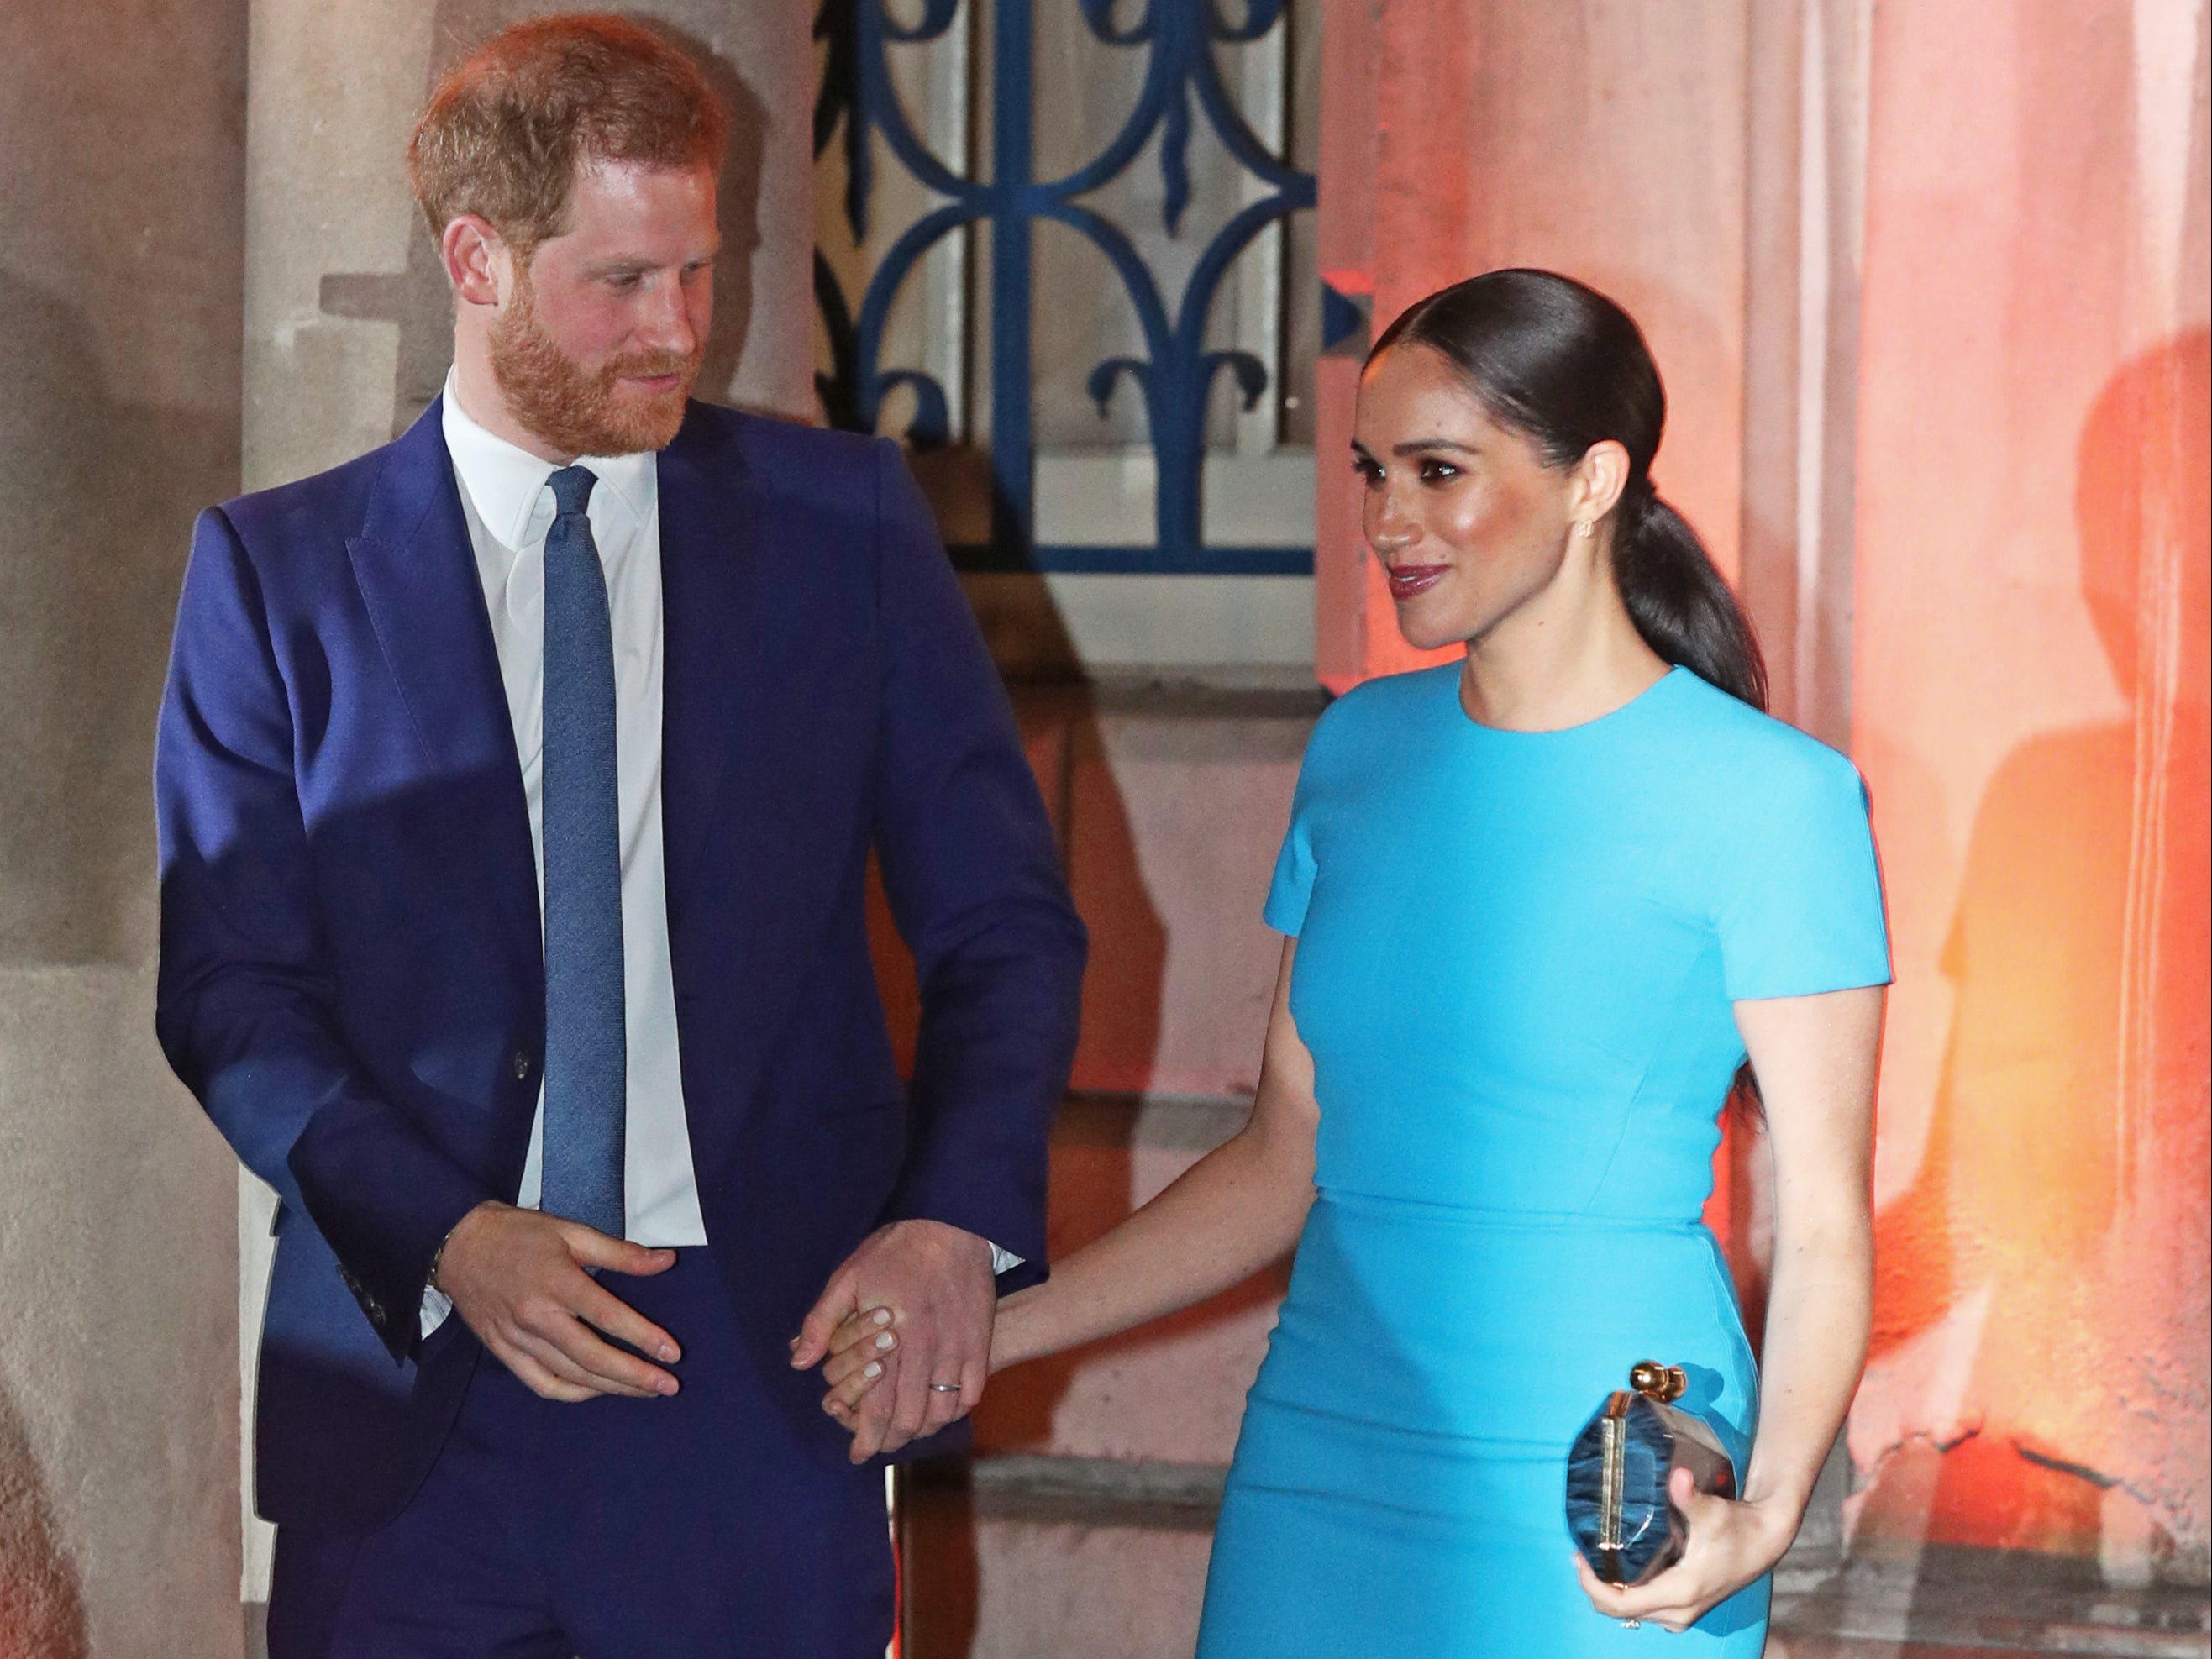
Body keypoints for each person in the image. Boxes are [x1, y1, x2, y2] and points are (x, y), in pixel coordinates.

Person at [153, 16, 1083, 1657]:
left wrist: (952, 1217)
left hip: (757, 1374)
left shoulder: (846, 530)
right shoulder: (274, 576)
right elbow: (227, 987)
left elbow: (1003, 924)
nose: (676, 331)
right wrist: (448, 1230)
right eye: (621, 282)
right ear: (477, 260)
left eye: (701, 275)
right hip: (414, 1382)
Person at [824, 269, 1889, 1651]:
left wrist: (1770, 1506)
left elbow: (1821, 1224)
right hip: (1321, 1444)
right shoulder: (1358, 752)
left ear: (1592, 481)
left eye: (1439, 472)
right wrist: (980, 1335)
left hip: (1598, 1447)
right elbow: (1284, 1159)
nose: (1387, 522)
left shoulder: (1770, 798)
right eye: (1371, 473)